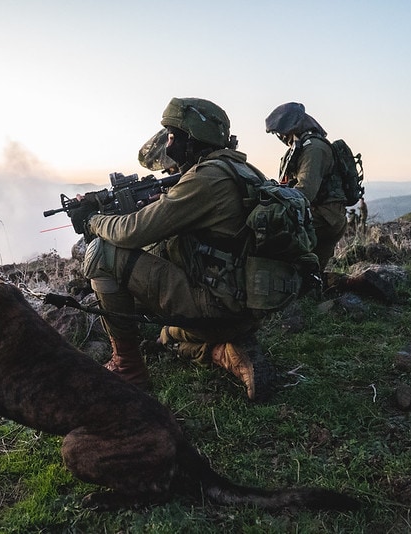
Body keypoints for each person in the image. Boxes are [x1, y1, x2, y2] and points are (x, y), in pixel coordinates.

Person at [68, 97, 275, 401]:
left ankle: (128, 367)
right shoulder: (242, 170)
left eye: (171, 136)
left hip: (215, 307)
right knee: (165, 337)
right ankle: (226, 350)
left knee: (102, 252)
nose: (168, 143)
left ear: (190, 138)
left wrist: (92, 221)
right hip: (247, 306)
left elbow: (132, 232)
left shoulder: (205, 179)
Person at [265, 102, 347, 272]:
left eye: (280, 132)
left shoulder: (314, 149)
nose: (280, 137)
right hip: (323, 214)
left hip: (324, 216)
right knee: (311, 275)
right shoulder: (302, 146)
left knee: (268, 233)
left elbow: (304, 193)